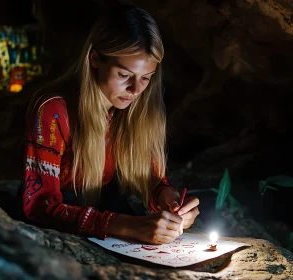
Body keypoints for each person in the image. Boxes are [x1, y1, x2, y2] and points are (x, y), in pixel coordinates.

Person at [18, 5, 200, 245]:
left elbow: (151, 180)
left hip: (104, 209)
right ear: (95, 59)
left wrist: (170, 199)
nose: (136, 90)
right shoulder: (54, 111)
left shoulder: (137, 110)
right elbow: (39, 206)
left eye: (146, 78)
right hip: (55, 227)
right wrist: (125, 225)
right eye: (124, 75)